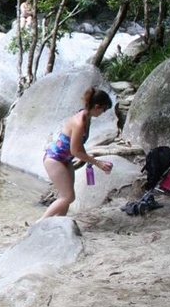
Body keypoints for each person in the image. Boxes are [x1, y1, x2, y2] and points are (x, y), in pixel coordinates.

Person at [39, 87, 114, 221]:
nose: (103, 113)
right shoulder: (79, 122)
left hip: (66, 160)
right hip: (54, 159)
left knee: (67, 196)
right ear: (97, 106)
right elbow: (75, 150)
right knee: (68, 197)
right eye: (104, 109)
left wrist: (92, 161)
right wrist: (97, 163)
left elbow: (79, 146)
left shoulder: (87, 118)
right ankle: (40, 223)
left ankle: (59, 222)